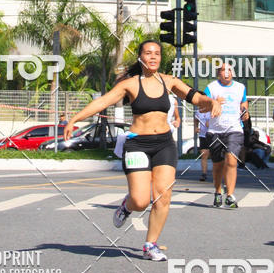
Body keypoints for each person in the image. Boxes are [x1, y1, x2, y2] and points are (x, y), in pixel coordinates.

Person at [63, 39, 222, 261]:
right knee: (140, 201)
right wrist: (75, 119)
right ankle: (126, 207)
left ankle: (150, 244)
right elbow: (103, 102)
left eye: (157, 53)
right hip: (137, 144)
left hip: (164, 144)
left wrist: (211, 102)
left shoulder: (169, 81)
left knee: (163, 196)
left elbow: (195, 97)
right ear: (141, 57)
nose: (153, 56)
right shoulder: (129, 85)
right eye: (148, 53)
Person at [203, 62, 248, 208]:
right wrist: (214, 103)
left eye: (229, 69)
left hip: (234, 129)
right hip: (215, 131)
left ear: (233, 73)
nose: (226, 72)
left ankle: (230, 195)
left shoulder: (240, 87)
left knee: (231, 159)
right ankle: (217, 192)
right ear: (219, 73)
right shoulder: (211, 88)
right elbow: (202, 108)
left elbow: (244, 103)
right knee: (218, 165)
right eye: (223, 70)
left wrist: (245, 111)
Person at [194, 109, 211, 181]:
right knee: (204, 154)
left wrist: (210, 123)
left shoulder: (212, 110)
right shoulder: (198, 111)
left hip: (213, 135)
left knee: (216, 155)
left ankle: (220, 174)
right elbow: (196, 120)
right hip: (203, 135)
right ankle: (204, 173)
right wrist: (196, 127)